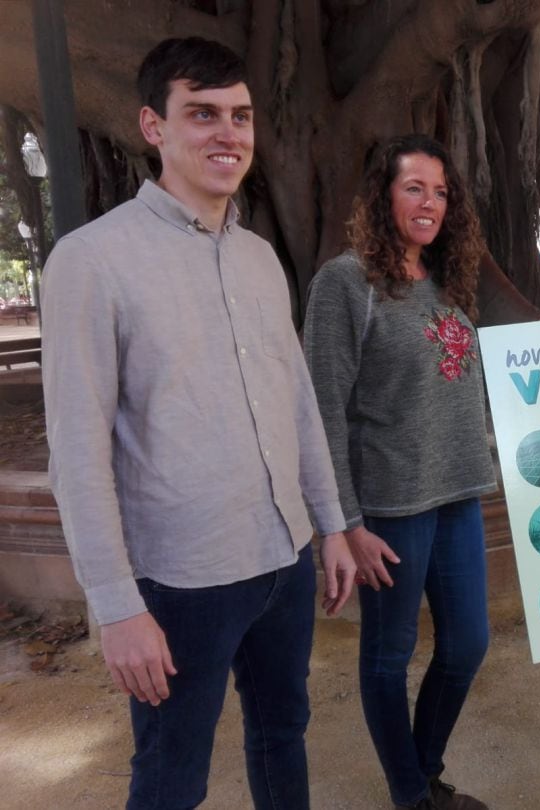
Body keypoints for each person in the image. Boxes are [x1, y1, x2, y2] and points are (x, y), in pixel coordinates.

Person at [41, 37, 356, 809]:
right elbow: (77, 451)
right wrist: (117, 606)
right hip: (180, 578)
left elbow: (299, 403)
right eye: (203, 114)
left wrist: (333, 523)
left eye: (240, 116)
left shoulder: (259, 257)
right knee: (171, 775)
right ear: (154, 127)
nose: (229, 133)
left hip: (281, 558)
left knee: (283, 735)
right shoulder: (93, 261)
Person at [304, 134, 496, 810]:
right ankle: (412, 794)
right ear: (383, 195)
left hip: (458, 494)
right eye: (415, 187)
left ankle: (423, 765)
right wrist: (346, 524)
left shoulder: (447, 278)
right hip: (390, 506)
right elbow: (322, 408)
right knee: (389, 654)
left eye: (441, 191)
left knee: (469, 642)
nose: (431, 202)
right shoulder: (346, 282)